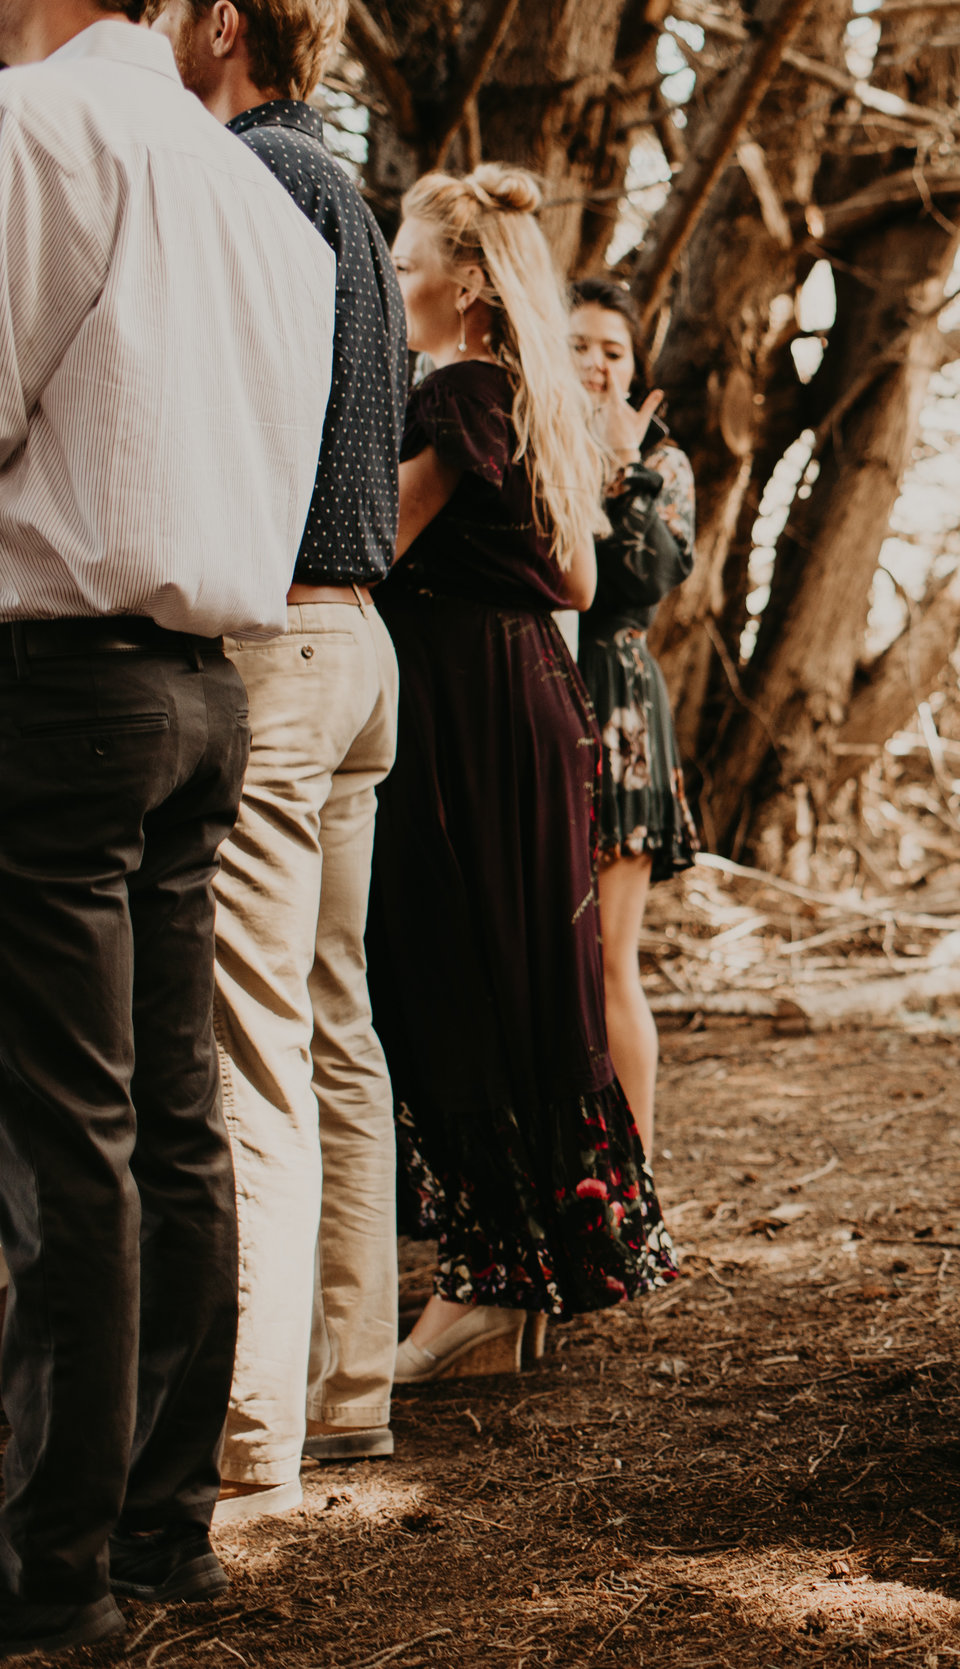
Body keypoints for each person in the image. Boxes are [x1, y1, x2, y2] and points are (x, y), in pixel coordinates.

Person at [0, 0, 333, 1650]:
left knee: (73, 1133)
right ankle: (162, 1529)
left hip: (56, 678)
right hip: (209, 684)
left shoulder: (40, 129)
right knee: (173, 1119)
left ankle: (52, 1578)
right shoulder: (264, 201)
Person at [154, 0, 408, 1525]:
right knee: (333, 1034)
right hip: (363, 646)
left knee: (253, 1047)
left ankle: (252, 1438)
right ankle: (351, 1389)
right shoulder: (344, 183)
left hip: (285, 644)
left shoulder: (252, 177)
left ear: (225, 25)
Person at [370, 165, 678, 1385]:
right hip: (527, 702)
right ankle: (525, 1271)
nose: (393, 285)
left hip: (466, 718)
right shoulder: (533, 394)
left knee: (455, 976)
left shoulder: (458, 390)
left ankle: (486, 1282)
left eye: (405, 267)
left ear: (469, 287)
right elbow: (585, 586)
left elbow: (370, 540)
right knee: (528, 979)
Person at [566, 277, 701, 1144]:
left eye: (613, 350)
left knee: (611, 960)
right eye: (579, 345)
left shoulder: (664, 460)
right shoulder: (529, 432)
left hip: (616, 708)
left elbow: (645, 579)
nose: (596, 365)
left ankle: (636, 1176)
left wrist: (627, 471)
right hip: (528, 694)